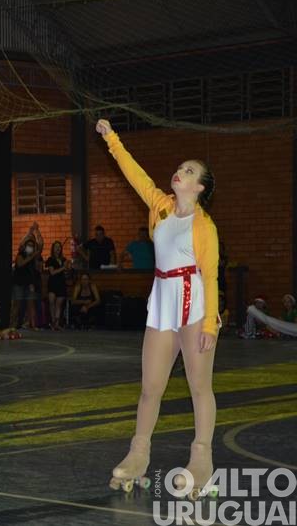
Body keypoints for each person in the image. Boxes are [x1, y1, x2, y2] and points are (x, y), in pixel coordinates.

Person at [97, 119, 220, 498]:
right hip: (163, 300)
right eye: (181, 167)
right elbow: (135, 174)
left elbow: (211, 277)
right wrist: (112, 140)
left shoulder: (205, 226)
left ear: (199, 187)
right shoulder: (161, 207)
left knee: (200, 387)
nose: (180, 172)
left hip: (195, 303)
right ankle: (138, 454)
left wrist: (210, 327)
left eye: (189, 171)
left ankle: (202, 459)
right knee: (151, 387)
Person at [10, 226, 43, 329]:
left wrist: (37, 231)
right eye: (28, 245)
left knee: (31, 304)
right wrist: (29, 232)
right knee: (17, 305)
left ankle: (32, 325)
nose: (30, 247)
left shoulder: (34, 255)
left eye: (32, 246)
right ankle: (12, 326)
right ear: (25, 246)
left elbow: (41, 245)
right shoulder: (21, 254)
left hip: (28, 283)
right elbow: (20, 264)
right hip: (18, 283)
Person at [45, 241, 69, 330]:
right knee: (52, 302)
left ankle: (57, 323)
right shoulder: (50, 259)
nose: (58, 248)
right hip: (53, 283)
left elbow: (67, 271)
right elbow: (52, 272)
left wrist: (68, 268)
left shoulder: (64, 260)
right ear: (53, 248)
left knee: (58, 304)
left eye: (59, 247)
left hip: (61, 283)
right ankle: (53, 322)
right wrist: (63, 267)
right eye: (56, 247)